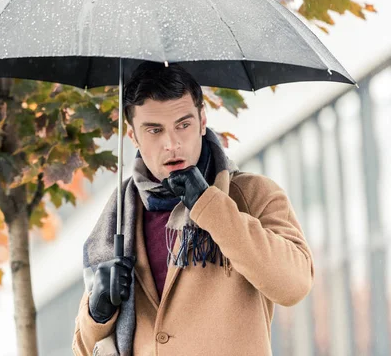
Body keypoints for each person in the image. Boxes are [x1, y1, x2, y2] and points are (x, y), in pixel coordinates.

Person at [72, 62, 314, 356]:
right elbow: (83, 348)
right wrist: (96, 313)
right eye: (154, 130)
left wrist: (208, 204)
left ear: (202, 121)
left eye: (183, 125)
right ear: (133, 135)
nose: (171, 143)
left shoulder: (254, 194)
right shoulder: (119, 218)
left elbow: (294, 284)